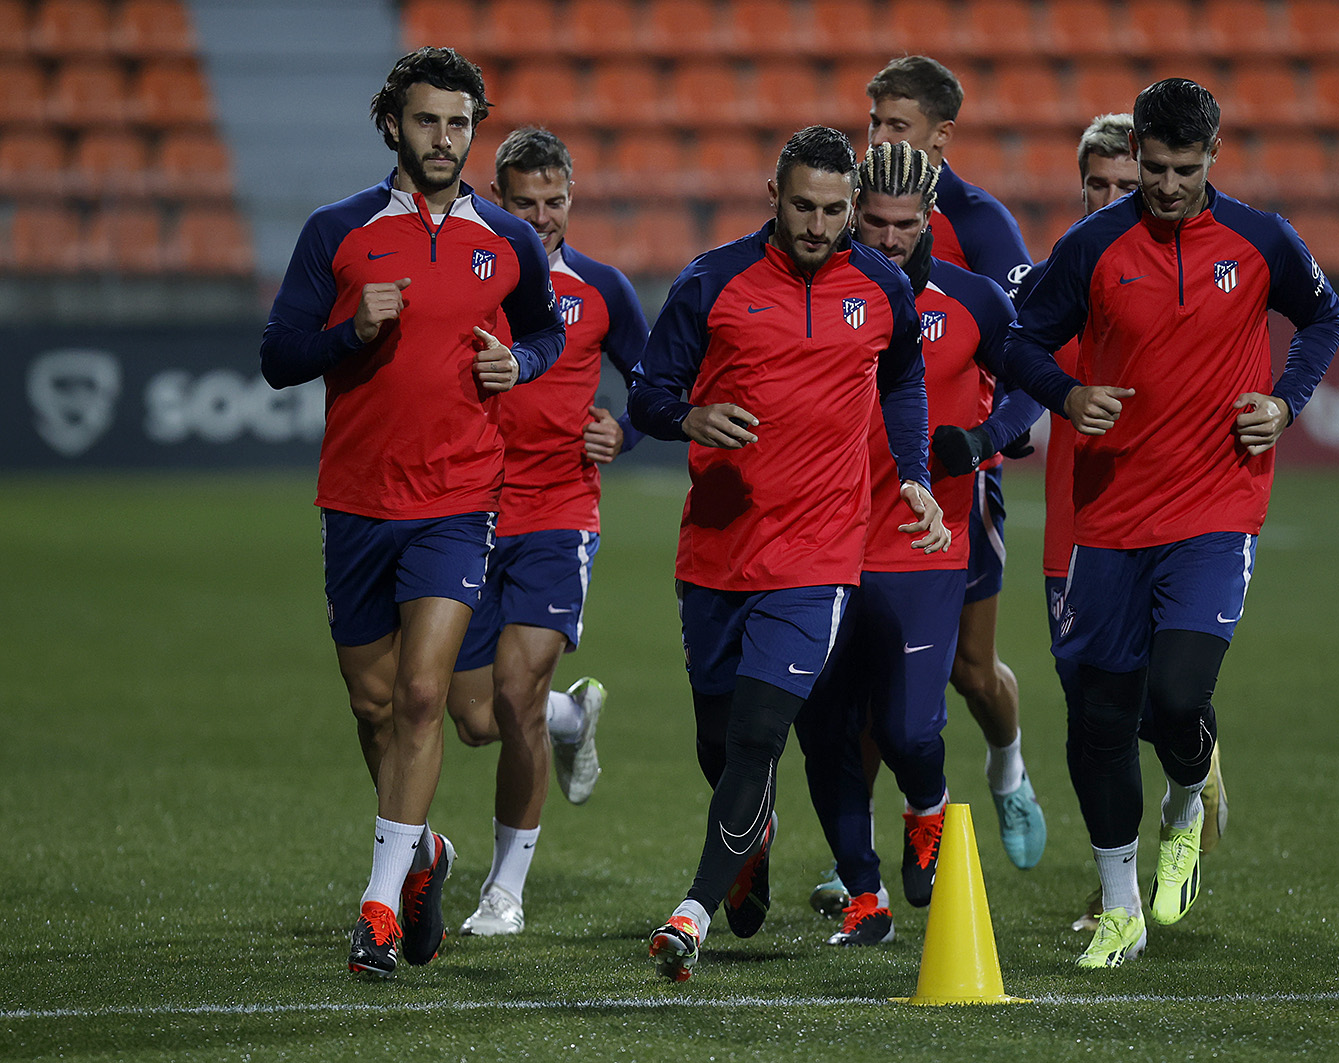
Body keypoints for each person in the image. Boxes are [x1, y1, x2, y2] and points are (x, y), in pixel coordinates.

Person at [1004, 78, 1339, 969]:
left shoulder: (1262, 239)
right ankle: (1120, 905)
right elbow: (1016, 341)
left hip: (1215, 504)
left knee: (1179, 696)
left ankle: (1186, 798)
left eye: (1181, 171)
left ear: (1212, 158)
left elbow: (1322, 317)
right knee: (1099, 719)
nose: (1162, 187)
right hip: (1109, 518)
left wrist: (1284, 397)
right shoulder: (1092, 245)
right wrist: (1066, 393)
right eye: (1151, 169)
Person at [259, 47, 565, 978]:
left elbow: (546, 328)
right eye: (428, 121)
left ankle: (380, 905)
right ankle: (421, 851)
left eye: (460, 123)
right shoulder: (338, 232)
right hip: (355, 502)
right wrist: (349, 331)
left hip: (458, 499)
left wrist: (524, 365)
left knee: (428, 694)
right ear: (392, 124)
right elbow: (278, 354)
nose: (445, 139)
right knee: (375, 702)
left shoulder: (505, 239)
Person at [627, 126, 947, 982]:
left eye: (835, 210)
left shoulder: (880, 285)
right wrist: (690, 417)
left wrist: (912, 473)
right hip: (717, 548)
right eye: (802, 206)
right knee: (719, 739)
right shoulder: (712, 280)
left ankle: (690, 912)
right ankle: (750, 837)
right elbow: (648, 394)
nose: (817, 225)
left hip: (818, 555)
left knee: (761, 735)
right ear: (773, 194)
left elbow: (905, 377)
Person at [793, 142, 1042, 947]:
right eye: (875, 222)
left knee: (907, 730)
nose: (891, 238)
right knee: (829, 728)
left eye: (906, 224)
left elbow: (1032, 379)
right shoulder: (816, 290)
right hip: (825, 539)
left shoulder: (972, 300)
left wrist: (983, 438)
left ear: (930, 218)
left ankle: (928, 807)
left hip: (923, 539)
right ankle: (862, 892)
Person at [1017, 113, 1229, 934]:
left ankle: (1195, 769)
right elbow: (1015, 362)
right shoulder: (1075, 271)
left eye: (1122, 182)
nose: (1115, 196)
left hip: (1153, 517)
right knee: (1092, 712)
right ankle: (1116, 890)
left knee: (1160, 704)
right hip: (1074, 525)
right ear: (1080, 189)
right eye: (1098, 185)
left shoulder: (1155, 267)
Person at [444, 126, 649, 937]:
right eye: (523, 203)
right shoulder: (467, 281)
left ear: (572, 198)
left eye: (554, 201)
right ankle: (574, 717)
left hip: (557, 517)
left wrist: (622, 434)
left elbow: (659, 385)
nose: (541, 217)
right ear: (498, 202)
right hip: (466, 510)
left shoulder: (601, 290)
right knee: (474, 718)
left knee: (513, 696)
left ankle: (504, 890)